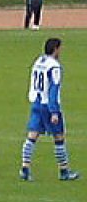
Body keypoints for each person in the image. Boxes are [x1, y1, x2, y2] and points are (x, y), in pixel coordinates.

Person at [20, 38, 80, 182]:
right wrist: (54, 111)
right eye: (60, 48)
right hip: (48, 105)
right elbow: (53, 89)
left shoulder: (39, 61)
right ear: (55, 49)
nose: (61, 51)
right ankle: (64, 171)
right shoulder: (55, 67)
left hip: (36, 102)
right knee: (59, 137)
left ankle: (25, 168)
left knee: (32, 136)